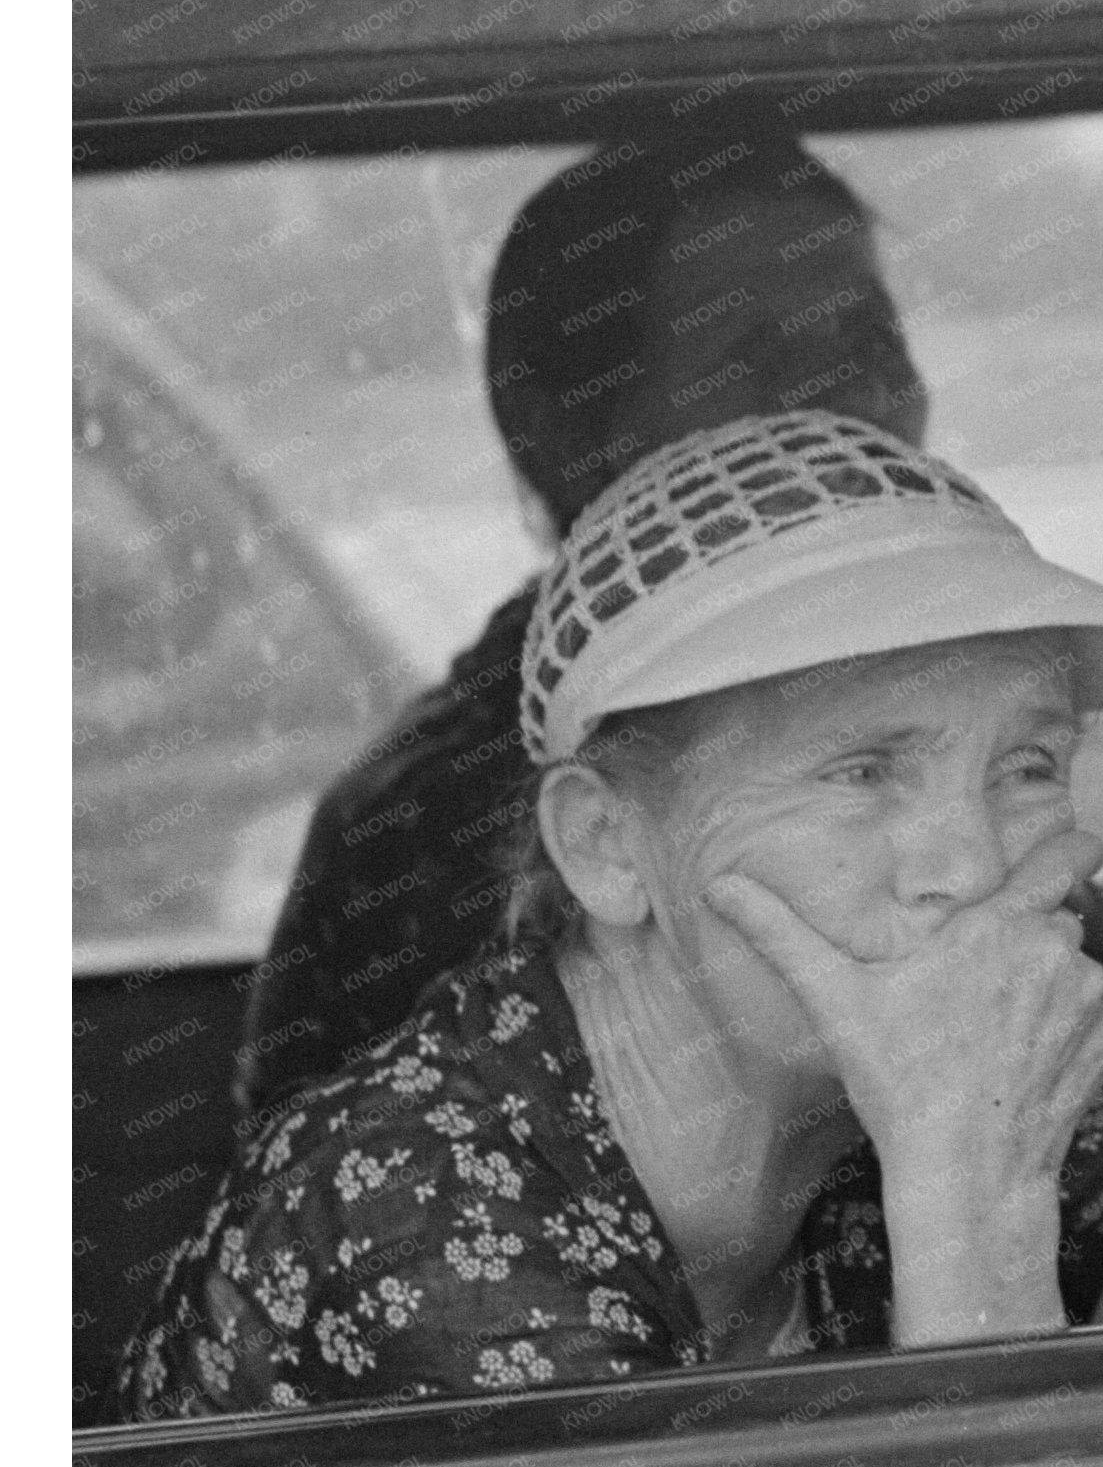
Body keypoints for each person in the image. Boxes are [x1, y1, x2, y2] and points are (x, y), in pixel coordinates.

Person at [123, 411, 1103, 1418]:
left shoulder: (884, 1066)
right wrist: (971, 1194)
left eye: (1029, 765)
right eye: (862, 772)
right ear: (606, 848)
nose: (969, 861)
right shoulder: (426, 1220)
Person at [236, 131, 964, 1123]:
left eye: (868, 342)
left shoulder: (906, 697)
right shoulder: (444, 831)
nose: (849, 405)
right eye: (757, 358)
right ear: (568, 435)